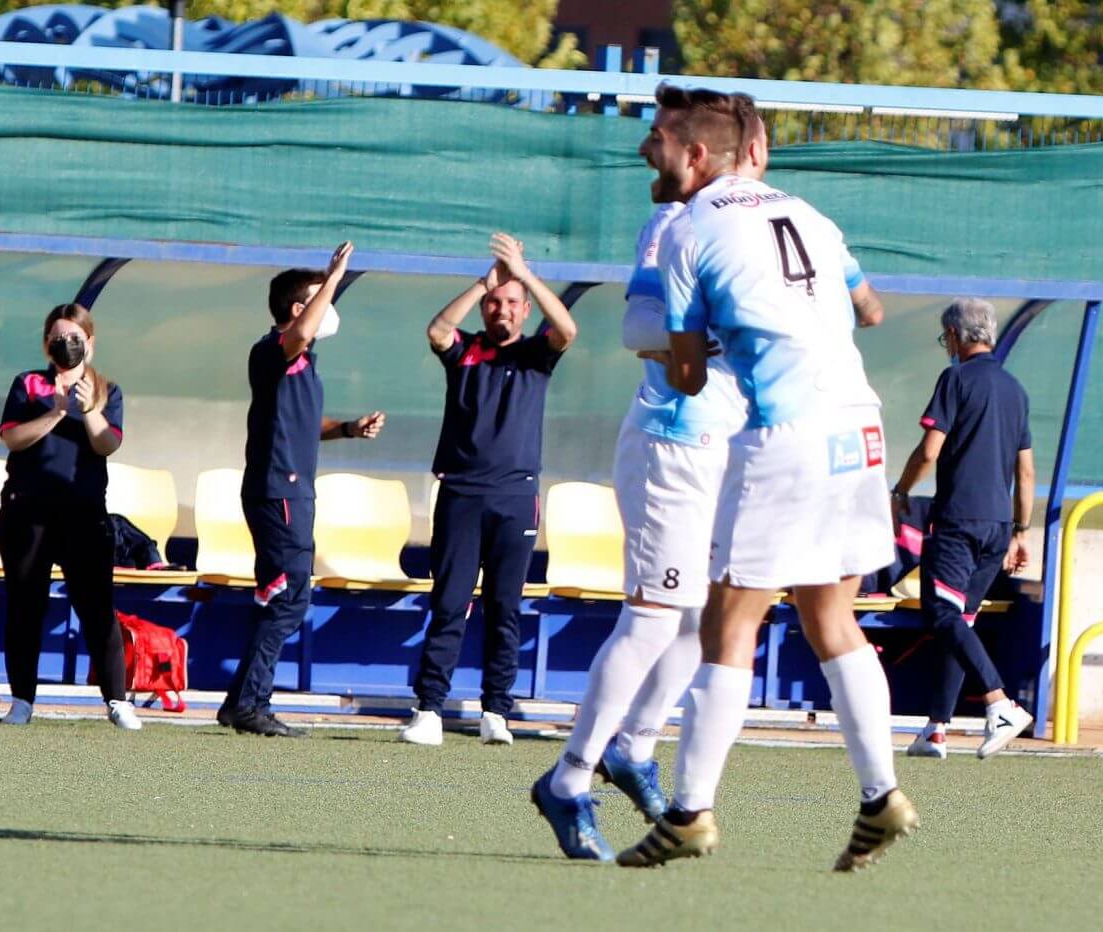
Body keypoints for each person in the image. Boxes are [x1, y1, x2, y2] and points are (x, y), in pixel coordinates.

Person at [617, 85, 916, 872]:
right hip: (860, 425)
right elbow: (866, 307)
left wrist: (692, 346)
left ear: (696, 155)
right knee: (831, 616)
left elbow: (686, 376)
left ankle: (689, 813)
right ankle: (881, 794)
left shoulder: (686, 230)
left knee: (727, 623)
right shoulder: (808, 213)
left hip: (786, 432)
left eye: (657, 141)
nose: (647, 152)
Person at [399, 233, 578, 747]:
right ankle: (429, 710)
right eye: (495, 303)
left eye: (512, 303)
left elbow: (567, 329)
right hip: (461, 494)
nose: (503, 310)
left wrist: (524, 274)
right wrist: (485, 282)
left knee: (505, 608)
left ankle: (495, 710)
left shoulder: (536, 355)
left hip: (516, 497)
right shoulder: (465, 351)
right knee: (450, 603)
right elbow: (438, 330)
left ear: (525, 310)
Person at [218, 246, 387, 737]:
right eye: (321, 300)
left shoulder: (304, 362)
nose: (330, 308)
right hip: (279, 492)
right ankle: (251, 704)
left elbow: (303, 423)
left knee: (278, 599)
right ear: (298, 309)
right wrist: (333, 277)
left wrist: (349, 429)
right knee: (288, 601)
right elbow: (300, 333)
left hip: (291, 494)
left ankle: (240, 703)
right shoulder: (272, 350)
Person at [892, 298, 1035, 759]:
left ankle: (999, 703)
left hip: (958, 520)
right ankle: (936, 728)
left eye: (945, 337)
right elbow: (1026, 472)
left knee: (942, 615)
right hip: (997, 525)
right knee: (960, 621)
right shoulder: (1015, 390)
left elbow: (929, 451)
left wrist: (901, 491)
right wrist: (1020, 531)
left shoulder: (955, 380)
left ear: (955, 335)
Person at [0, 303, 140, 730]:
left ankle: (117, 701)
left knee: (97, 609)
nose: (67, 345)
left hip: (84, 516)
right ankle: (22, 700)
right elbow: (11, 437)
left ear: (90, 343)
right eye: (59, 338)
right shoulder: (28, 384)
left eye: (75, 338)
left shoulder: (107, 391)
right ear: (46, 344)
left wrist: (87, 409)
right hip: (27, 514)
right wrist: (55, 411)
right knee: (25, 607)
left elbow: (108, 444)